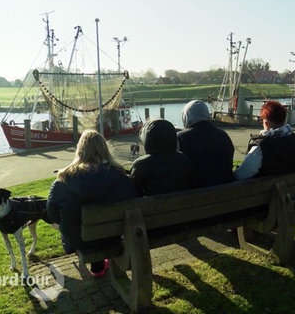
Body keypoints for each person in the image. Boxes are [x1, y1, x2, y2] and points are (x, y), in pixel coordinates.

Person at [47, 129, 137, 278]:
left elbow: (53, 215)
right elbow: (133, 202)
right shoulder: (121, 175)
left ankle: (98, 268)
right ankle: (102, 265)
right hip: (113, 236)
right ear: (104, 149)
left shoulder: (64, 180)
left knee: (82, 224)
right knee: (101, 225)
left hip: (80, 241)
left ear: (80, 150)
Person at [234, 100, 295, 180]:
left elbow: (240, 175)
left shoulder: (261, 149)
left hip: (262, 191)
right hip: (292, 190)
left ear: (266, 123)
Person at [177, 100, 234, 187]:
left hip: (194, 193)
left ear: (186, 116)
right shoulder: (223, 135)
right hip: (226, 190)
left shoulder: (181, 138)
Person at [130, 118, 192, 196]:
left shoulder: (140, 165)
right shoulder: (184, 160)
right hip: (185, 205)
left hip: (152, 207)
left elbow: (133, 191)